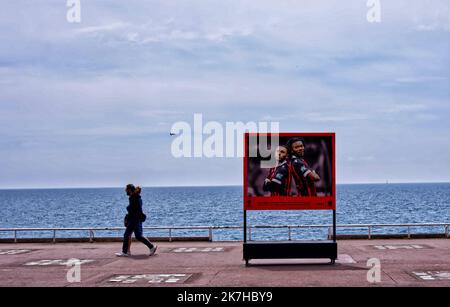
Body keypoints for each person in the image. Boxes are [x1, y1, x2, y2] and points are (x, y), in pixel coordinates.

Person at [115, 184, 157, 257]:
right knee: (138, 236)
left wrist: (127, 217)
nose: (125, 191)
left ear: (130, 190)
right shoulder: (137, 197)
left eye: (126, 190)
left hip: (134, 220)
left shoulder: (133, 198)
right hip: (137, 219)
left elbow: (133, 210)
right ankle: (151, 247)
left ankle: (125, 252)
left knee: (127, 235)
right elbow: (136, 209)